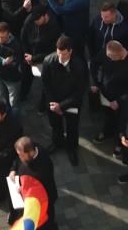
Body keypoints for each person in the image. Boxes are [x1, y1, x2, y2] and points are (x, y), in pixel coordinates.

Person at [40, 35, 86, 166]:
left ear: (70, 51)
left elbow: (79, 92)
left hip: (71, 103)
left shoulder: (79, 66)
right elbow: (46, 84)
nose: (60, 57)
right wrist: (53, 104)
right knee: (55, 125)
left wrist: (61, 106)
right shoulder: (48, 61)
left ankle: (71, 148)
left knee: (72, 127)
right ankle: (57, 142)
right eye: (58, 53)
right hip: (53, 102)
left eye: (63, 54)